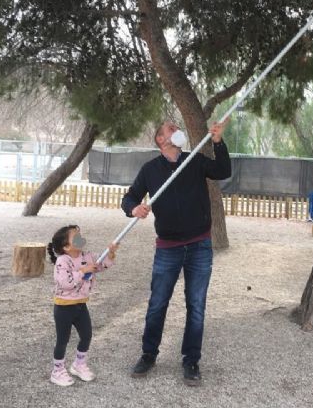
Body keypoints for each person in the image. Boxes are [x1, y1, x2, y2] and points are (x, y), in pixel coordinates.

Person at [121, 120, 231, 386]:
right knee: (158, 303)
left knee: (196, 306)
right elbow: (129, 198)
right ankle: (148, 355)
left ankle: (191, 361)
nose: (177, 129)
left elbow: (223, 170)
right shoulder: (150, 170)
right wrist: (134, 208)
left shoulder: (194, 160)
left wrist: (218, 142)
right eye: (171, 128)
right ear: (160, 140)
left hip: (199, 246)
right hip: (167, 248)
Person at [47, 224, 118, 387]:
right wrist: (83, 271)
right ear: (66, 247)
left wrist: (111, 253)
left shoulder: (87, 256)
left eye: (80, 235)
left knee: (86, 335)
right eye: (76, 238)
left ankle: (78, 364)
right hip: (64, 307)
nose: (81, 238)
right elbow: (65, 283)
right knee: (63, 340)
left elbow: (102, 264)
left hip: (80, 305)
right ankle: (57, 371)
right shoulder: (62, 261)